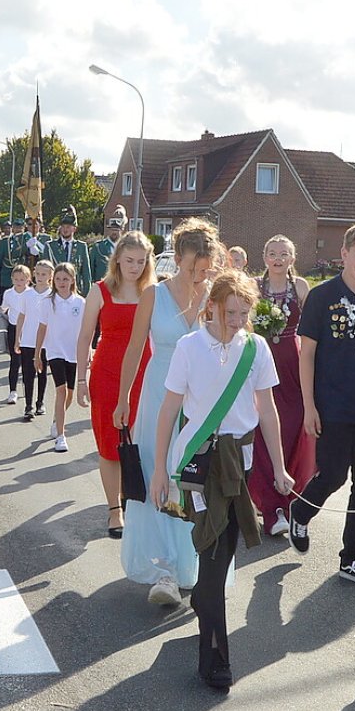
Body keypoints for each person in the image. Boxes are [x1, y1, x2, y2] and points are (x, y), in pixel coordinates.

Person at [152, 269, 287, 690]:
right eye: (230, 311)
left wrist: (280, 468)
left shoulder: (256, 347)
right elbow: (170, 410)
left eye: (244, 312)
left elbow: (266, 410)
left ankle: (202, 606)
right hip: (201, 462)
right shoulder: (190, 348)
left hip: (240, 463)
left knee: (223, 551)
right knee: (211, 557)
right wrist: (159, 468)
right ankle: (214, 657)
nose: (237, 319)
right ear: (211, 306)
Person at [115, 218, 219, 606]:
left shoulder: (214, 294)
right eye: (192, 267)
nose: (198, 275)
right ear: (177, 259)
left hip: (200, 400)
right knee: (156, 472)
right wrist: (123, 399)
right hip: (159, 394)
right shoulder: (153, 296)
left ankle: (190, 563)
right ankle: (163, 570)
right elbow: (134, 349)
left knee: (194, 478)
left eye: (204, 269)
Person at [288, 222, 355, 588]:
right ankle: (300, 510)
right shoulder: (321, 297)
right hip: (331, 405)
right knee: (333, 474)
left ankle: (352, 557)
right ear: (344, 254)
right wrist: (308, 406)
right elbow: (307, 355)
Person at [76, 230, 154, 539]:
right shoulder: (99, 291)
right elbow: (85, 337)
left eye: (141, 261)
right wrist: (81, 378)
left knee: (142, 442)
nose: (135, 267)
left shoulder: (154, 291)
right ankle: (114, 510)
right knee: (110, 445)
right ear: (117, 260)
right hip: (107, 373)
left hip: (146, 373)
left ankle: (134, 500)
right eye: (129, 260)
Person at [247, 235, 316, 537]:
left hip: (292, 364)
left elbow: (312, 330)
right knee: (262, 432)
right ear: (264, 257)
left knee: (292, 429)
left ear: (292, 258)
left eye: (284, 254)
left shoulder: (300, 287)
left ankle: (289, 497)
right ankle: (270, 506)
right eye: (272, 253)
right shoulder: (252, 286)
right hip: (262, 362)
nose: (277, 259)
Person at [34, 261, 86, 452]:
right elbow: (42, 328)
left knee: (70, 394)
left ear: (72, 280)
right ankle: (61, 436)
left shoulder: (80, 303)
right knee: (61, 390)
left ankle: (58, 419)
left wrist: (87, 352)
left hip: (73, 353)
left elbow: (85, 331)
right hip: (55, 351)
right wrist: (37, 353)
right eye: (58, 279)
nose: (61, 282)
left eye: (65, 279)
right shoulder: (48, 302)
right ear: (52, 280)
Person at [14, 261, 53, 420]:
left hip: (45, 342)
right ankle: (28, 405)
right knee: (28, 373)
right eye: (38, 274)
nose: (40, 277)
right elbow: (21, 316)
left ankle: (40, 402)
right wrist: (17, 338)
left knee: (42, 372)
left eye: (44, 274)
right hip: (28, 340)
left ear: (50, 276)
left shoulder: (52, 295)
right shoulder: (27, 294)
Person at [0, 264, 33, 406]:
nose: (19, 282)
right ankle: (13, 391)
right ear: (12, 279)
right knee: (14, 361)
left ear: (28, 280)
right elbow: (4, 308)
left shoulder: (31, 294)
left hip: (28, 329)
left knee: (27, 362)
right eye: (16, 279)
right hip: (13, 328)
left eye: (22, 279)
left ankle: (27, 389)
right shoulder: (8, 293)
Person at [48, 206, 92, 287]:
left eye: (68, 227)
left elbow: (86, 273)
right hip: (56, 288)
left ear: (74, 229)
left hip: (75, 288)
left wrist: (87, 293)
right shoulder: (51, 246)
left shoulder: (81, 246)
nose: (65, 230)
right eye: (63, 227)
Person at [88, 206, 127, 288]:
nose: (114, 232)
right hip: (102, 284)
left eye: (116, 230)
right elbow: (90, 267)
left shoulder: (124, 247)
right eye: (112, 230)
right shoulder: (99, 246)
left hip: (119, 285)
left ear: (121, 231)